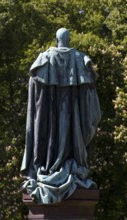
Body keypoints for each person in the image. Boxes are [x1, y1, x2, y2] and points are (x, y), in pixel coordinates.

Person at [21, 28, 101, 204]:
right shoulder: (80, 59)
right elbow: (89, 96)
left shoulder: (44, 59)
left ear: (57, 39)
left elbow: (35, 96)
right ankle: (68, 166)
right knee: (72, 136)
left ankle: (50, 168)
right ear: (69, 39)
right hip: (73, 119)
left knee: (51, 138)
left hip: (48, 120)